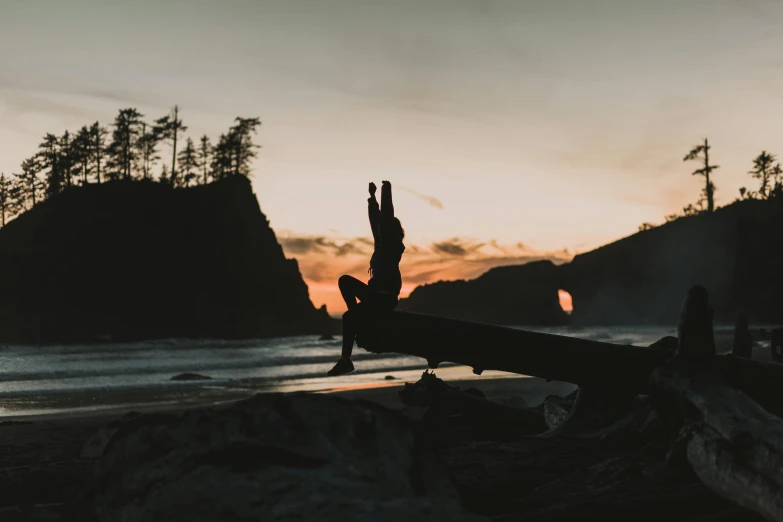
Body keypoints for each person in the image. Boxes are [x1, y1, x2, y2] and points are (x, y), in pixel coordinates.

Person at [327, 180, 405, 376]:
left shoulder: (392, 244)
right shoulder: (381, 244)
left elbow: (386, 216)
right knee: (345, 285)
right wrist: (371, 198)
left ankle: (347, 356)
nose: (379, 230)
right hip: (374, 295)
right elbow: (375, 222)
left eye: (383, 228)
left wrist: (385, 191)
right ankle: (354, 336)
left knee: (348, 313)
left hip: (384, 297)